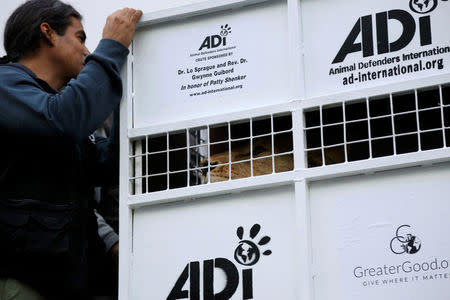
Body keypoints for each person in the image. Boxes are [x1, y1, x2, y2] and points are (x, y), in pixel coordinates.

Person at [0, 0, 142, 299]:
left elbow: (107, 164)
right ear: (48, 32)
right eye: (80, 38)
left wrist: (131, 96)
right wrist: (112, 48)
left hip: (69, 281)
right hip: (21, 282)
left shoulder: (57, 107)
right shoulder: (5, 86)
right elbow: (64, 120)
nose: (87, 51)